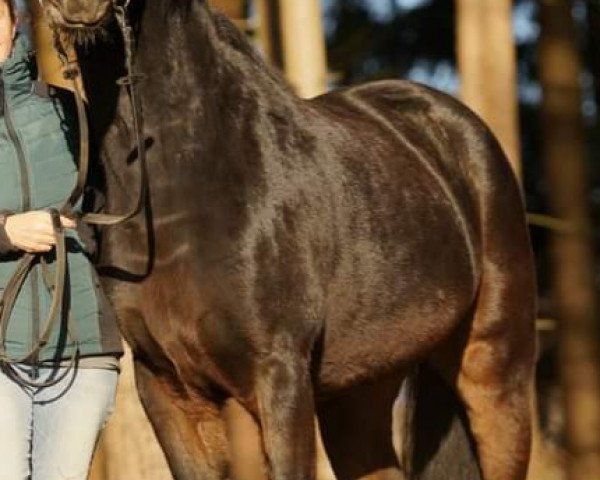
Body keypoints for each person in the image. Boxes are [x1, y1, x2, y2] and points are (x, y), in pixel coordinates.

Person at [0, 1, 123, 478]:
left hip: (82, 350)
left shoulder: (71, 112)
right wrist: (7, 231)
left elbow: (118, 209)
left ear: (16, 24)